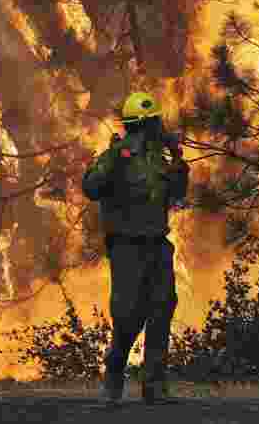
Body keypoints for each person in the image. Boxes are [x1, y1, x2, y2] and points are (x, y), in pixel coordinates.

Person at [82, 92, 190, 406]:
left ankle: (154, 386)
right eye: (155, 123)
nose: (160, 128)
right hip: (127, 247)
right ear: (144, 125)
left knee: (161, 308)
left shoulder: (161, 158)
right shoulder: (115, 156)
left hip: (157, 244)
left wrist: (179, 162)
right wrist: (114, 158)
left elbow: (177, 194)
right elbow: (91, 188)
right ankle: (114, 378)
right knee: (129, 315)